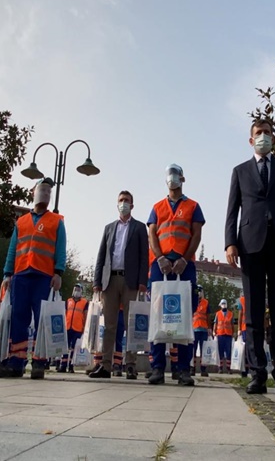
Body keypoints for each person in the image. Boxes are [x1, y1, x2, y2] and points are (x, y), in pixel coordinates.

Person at [224, 118, 275, 397]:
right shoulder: (240, 171)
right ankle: (257, 373)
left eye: (267, 133)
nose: (263, 137)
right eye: (258, 133)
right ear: (251, 140)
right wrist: (230, 243)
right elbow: (232, 210)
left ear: (274, 137)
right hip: (250, 245)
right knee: (254, 314)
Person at [0, 178, 66, 379]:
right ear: (32, 192)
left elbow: (60, 249)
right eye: (42, 189)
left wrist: (58, 272)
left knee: (43, 320)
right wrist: (7, 274)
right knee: (19, 318)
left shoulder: (57, 221)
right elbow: (12, 249)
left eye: (48, 191)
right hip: (21, 274)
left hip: (44, 276)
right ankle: (16, 362)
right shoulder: (22, 221)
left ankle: (39, 362)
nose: (45, 193)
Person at [147, 164, 204, 386]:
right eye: (169, 174)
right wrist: (160, 258)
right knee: (158, 314)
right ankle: (157, 368)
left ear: (183, 178)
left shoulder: (193, 206)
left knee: (183, 316)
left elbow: (196, 234)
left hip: (184, 264)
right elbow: (152, 233)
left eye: (176, 174)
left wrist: (183, 259)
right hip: (160, 265)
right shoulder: (157, 207)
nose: (172, 178)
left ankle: (183, 370)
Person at [90, 190, 149, 380]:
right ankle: (105, 365)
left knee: (131, 324)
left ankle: (130, 364)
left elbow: (144, 256)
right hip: (109, 280)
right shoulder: (109, 228)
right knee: (109, 325)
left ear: (132, 205)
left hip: (130, 281)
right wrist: (97, 281)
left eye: (127, 201)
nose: (123, 203)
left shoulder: (139, 228)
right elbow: (101, 256)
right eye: (121, 200)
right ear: (117, 204)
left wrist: (142, 281)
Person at [59, 284, 88, 373]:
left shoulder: (84, 302)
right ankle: (63, 365)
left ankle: (71, 366)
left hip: (78, 328)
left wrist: (84, 327)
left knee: (74, 348)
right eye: (75, 289)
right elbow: (65, 313)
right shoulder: (68, 301)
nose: (77, 291)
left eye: (78, 290)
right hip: (67, 327)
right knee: (65, 347)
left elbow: (86, 315)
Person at [191, 285, 210, 377]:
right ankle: (192, 368)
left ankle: (203, 369)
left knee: (204, 351)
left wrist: (209, 328)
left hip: (203, 330)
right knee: (193, 350)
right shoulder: (192, 301)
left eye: (200, 291)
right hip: (194, 329)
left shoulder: (206, 302)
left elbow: (208, 316)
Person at [213, 299, 233, 373]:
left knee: (228, 352)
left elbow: (232, 324)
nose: (224, 305)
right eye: (222, 304)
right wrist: (213, 331)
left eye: (224, 303)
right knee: (220, 351)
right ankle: (220, 368)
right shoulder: (218, 313)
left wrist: (233, 333)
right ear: (220, 305)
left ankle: (228, 368)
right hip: (220, 334)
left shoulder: (230, 314)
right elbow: (215, 323)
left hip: (228, 335)